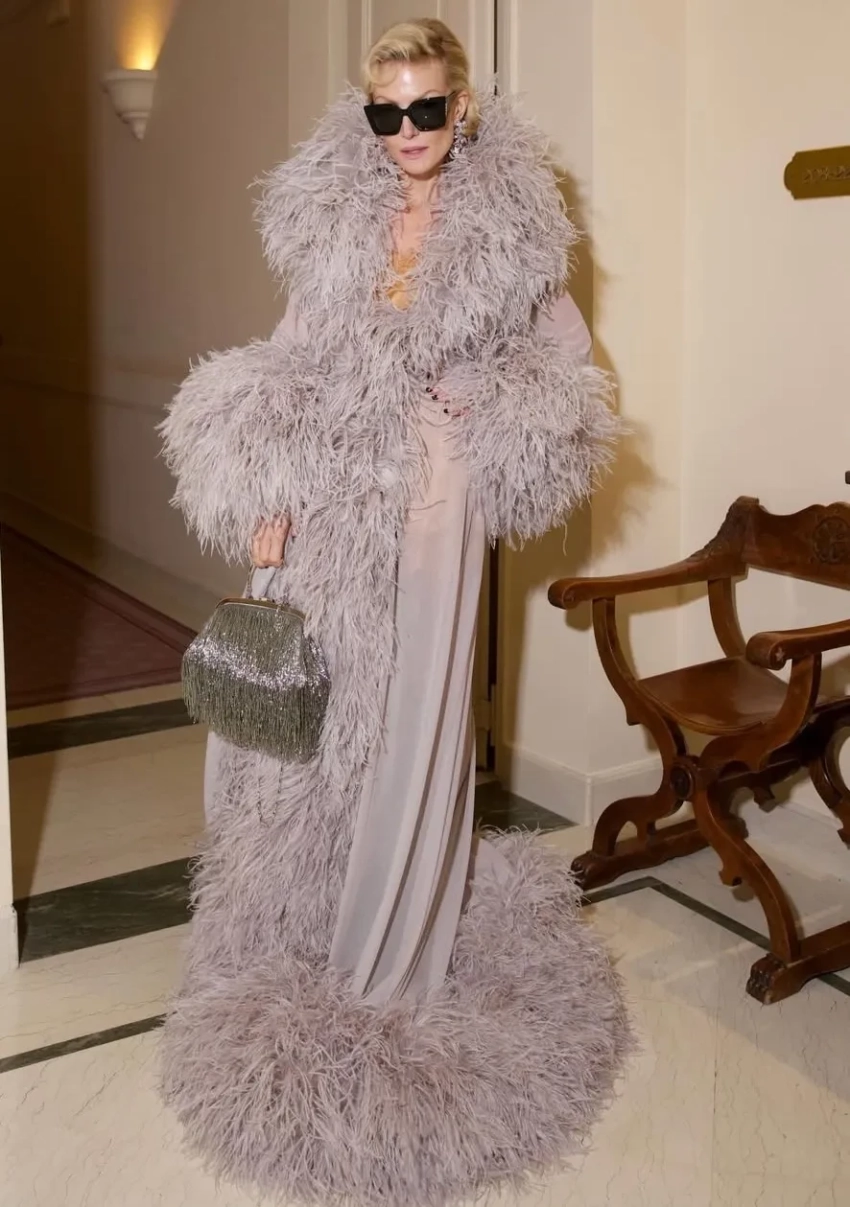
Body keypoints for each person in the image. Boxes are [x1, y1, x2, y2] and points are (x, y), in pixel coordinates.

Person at [159, 17, 629, 1207]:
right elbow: (293, 357)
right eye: (386, 111)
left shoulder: (512, 226)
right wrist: (269, 495)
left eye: (425, 108)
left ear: (460, 107)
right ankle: (300, 914)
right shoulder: (333, 216)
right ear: (366, 113)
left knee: (414, 712)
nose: (407, 131)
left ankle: (391, 954)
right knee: (312, 720)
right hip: (334, 479)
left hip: (436, 488)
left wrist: (486, 406)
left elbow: (568, 363)